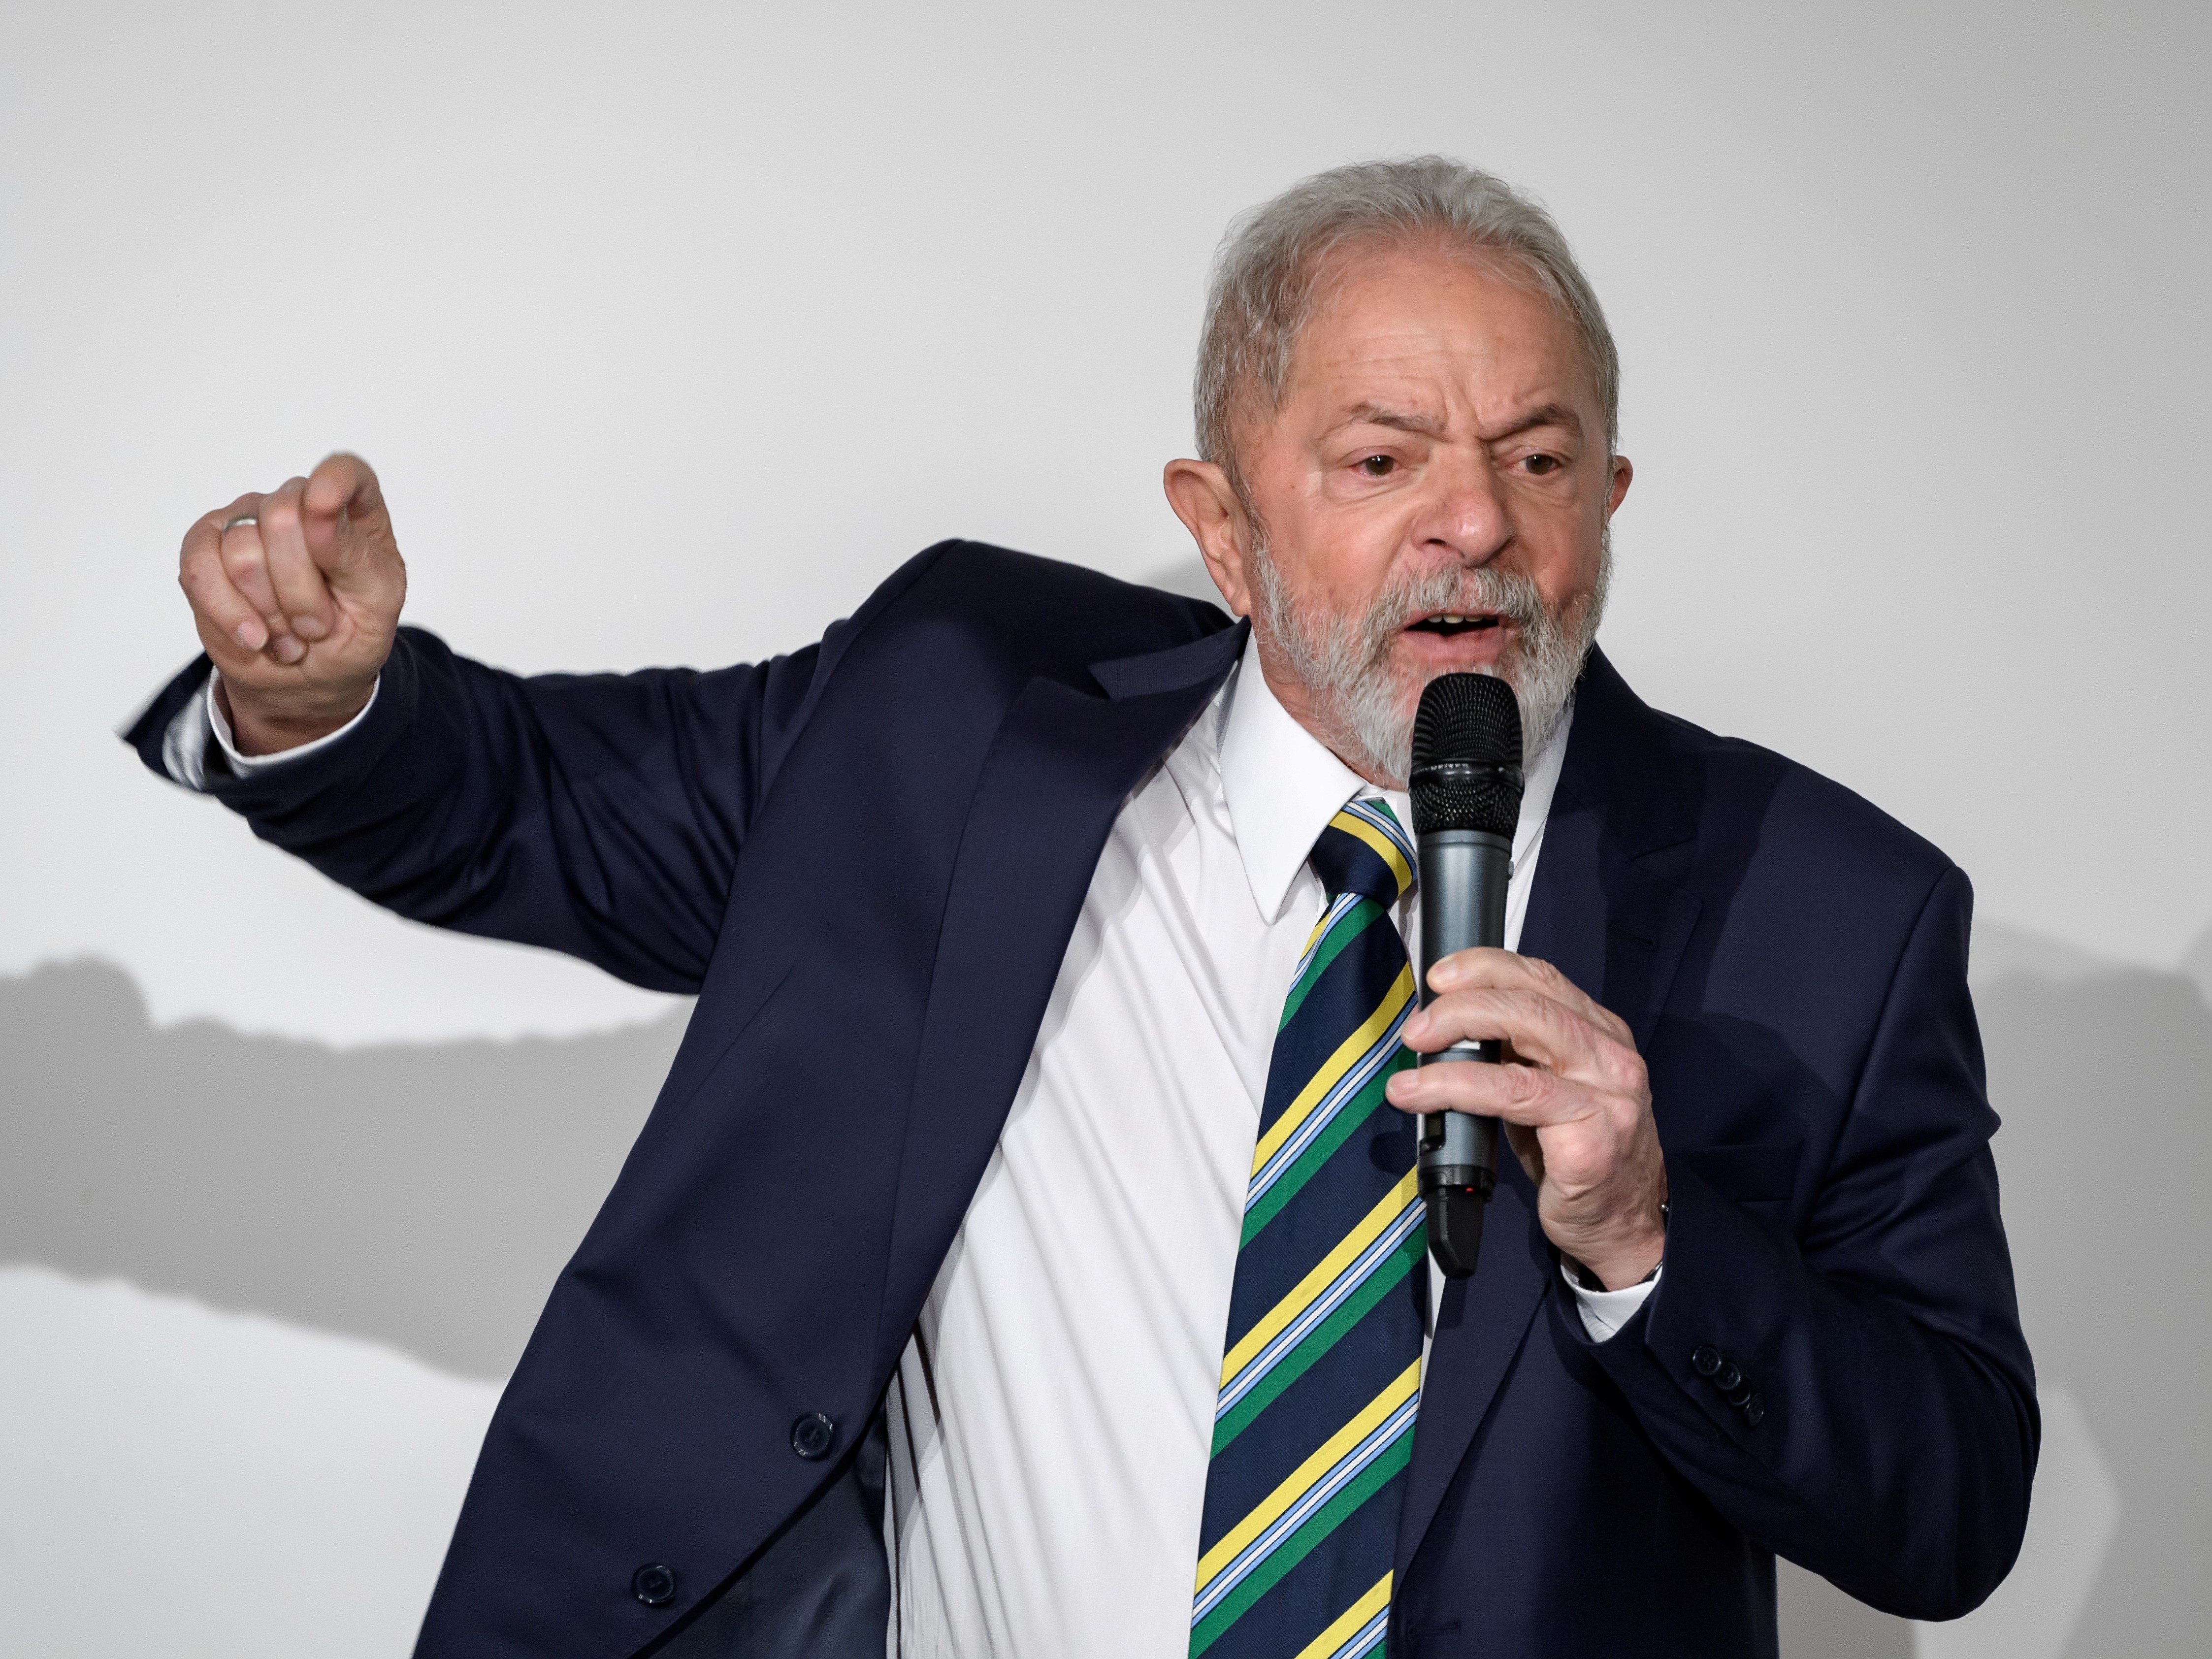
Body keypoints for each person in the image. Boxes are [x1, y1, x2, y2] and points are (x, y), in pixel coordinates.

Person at [125, 158, 2035, 1659]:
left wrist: (1646, 1240)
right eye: (1380, 460)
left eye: (1535, 459)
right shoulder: (955, 718)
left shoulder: (1832, 916)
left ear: (1607, 495)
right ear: (1222, 527)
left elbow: (1948, 1508)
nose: (1473, 523)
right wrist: (319, 704)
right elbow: (538, 806)